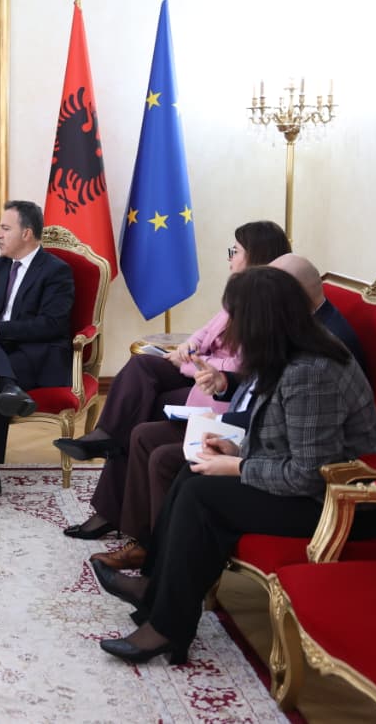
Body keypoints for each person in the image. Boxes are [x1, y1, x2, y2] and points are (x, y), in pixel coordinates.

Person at [90, 266, 376, 665]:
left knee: (203, 493)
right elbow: (282, 433)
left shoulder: (311, 372)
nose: (230, 330)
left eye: (237, 318)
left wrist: (238, 466)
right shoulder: (287, 351)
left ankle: (166, 626)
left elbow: (310, 475)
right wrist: (235, 447)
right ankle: (155, 590)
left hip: (341, 503)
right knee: (192, 470)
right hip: (309, 484)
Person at [97, 253, 369, 571]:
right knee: (152, 437)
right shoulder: (296, 333)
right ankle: (149, 555)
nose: (238, 328)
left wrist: (238, 456)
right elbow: (270, 396)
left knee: (184, 472)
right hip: (267, 439)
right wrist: (225, 387)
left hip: (317, 486)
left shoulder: (315, 358)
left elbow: (308, 463)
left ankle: (158, 569)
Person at [55, 220, 290, 540]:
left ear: (256, 255)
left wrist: (190, 365)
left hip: (221, 394)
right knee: (142, 367)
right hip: (201, 375)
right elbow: (205, 332)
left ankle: (113, 509)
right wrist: (186, 348)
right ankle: (105, 436)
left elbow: (242, 367)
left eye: (235, 251)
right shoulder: (240, 293)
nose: (230, 258)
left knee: (140, 413)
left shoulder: (268, 304)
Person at [0, 201, 74, 505]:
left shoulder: (56, 271)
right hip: (3, 354)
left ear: (27, 233)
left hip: (39, 355)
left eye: (5, 228)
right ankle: (8, 386)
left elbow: (52, 325)